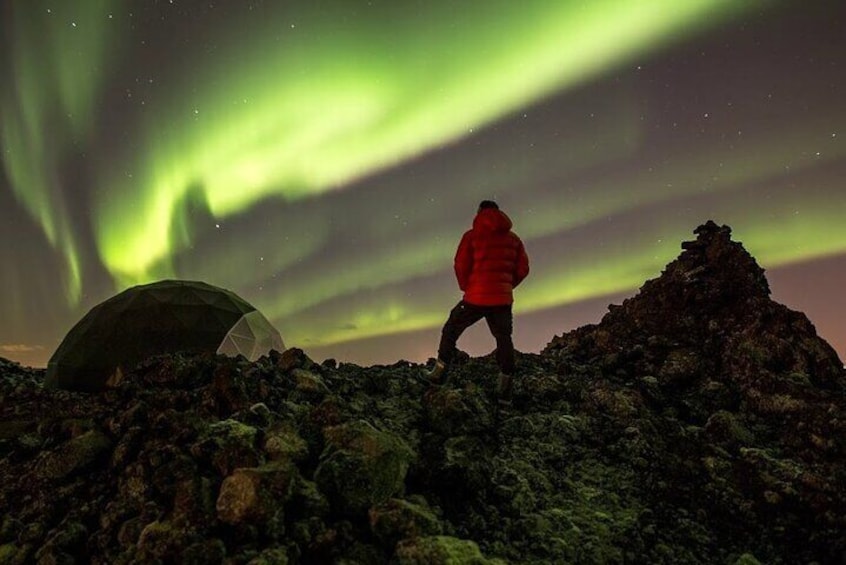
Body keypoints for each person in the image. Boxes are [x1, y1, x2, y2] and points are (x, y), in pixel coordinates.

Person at [428, 200, 530, 405]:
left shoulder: (471, 236)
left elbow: (460, 265)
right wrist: (506, 286)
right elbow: (523, 269)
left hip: (475, 297)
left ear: (479, 213)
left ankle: (438, 373)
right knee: (504, 339)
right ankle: (505, 392)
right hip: (502, 300)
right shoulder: (514, 239)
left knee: (451, 329)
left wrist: (467, 287)